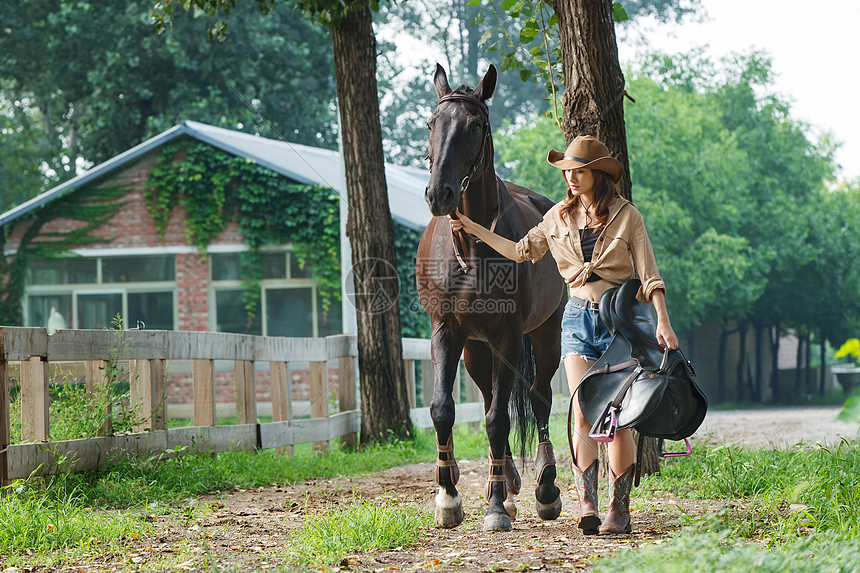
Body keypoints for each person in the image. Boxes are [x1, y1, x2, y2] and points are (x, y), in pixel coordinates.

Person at [448, 134, 678, 535]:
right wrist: (472, 227)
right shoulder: (556, 217)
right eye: (567, 171)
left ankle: (618, 508)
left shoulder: (627, 217)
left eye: (578, 171)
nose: (570, 177)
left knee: (619, 420)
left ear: (598, 175)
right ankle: (587, 501)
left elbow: (650, 275)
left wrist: (663, 321)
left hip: (619, 323)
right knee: (585, 414)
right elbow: (520, 250)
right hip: (576, 319)